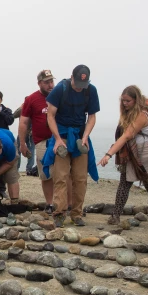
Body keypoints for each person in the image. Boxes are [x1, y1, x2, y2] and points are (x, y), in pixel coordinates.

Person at [98, 86, 148, 224]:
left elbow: (126, 136)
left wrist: (108, 154)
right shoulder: (131, 113)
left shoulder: (142, 115)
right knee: (126, 183)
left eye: (128, 101)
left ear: (136, 100)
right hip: (134, 152)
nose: (124, 104)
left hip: (146, 153)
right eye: (123, 101)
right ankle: (116, 216)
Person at [45, 65, 101, 227]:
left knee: (80, 178)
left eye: (83, 85)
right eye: (77, 84)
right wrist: (57, 139)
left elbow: (91, 117)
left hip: (79, 136)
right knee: (61, 176)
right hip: (61, 133)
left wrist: (85, 137)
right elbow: (50, 115)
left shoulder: (91, 91)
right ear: (72, 78)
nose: (79, 88)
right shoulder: (60, 89)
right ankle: (59, 213)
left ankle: (76, 213)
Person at [19, 70, 64, 212]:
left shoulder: (61, 96)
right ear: (39, 83)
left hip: (61, 140)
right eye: (47, 82)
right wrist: (22, 143)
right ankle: (50, 204)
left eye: (52, 81)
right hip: (42, 142)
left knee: (63, 174)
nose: (50, 85)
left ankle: (65, 204)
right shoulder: (31, 99)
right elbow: (24, 122)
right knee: (46, 175)